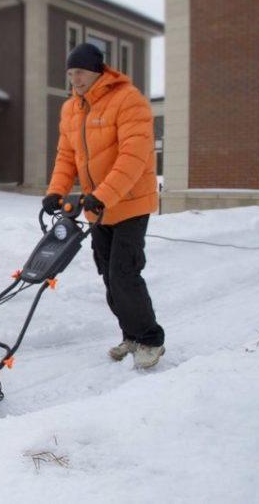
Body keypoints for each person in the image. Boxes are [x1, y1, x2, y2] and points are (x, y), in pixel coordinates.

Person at [42, 43, 165, 369]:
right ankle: (131, 335)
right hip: (98, 207)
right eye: (70, 73)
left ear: (98, 71)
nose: (75, 79)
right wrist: (56, 191)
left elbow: (134, 156)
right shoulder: (71, 108)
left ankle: (151, 339)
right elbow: (66, 156)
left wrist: (104, 195)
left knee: (124, 273)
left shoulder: (128, 100)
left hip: (130, 203)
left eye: (79, 72)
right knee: (109, 276)